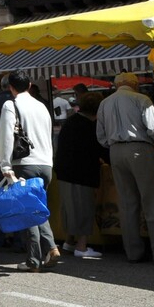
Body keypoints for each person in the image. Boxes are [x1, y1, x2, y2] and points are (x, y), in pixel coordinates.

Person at [95, 71, 154, 265]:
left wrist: (113, 144)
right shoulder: (141, 98)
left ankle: (133, 252)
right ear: (134, 84)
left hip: (115, 151)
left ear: (116, 85)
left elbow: (101, 135)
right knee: (152, 200)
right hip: (139, 148)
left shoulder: (104, 103)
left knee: (127, 202)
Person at [0, 73, 61, 271]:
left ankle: (35, 259)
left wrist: (5, 165)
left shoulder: (11, 105)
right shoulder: (41, 105)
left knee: (28, 211)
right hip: (45, 163)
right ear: (30, 85)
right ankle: (50, 248)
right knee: (37, 207)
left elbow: (6, 136)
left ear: (10, 87)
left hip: (25, 163)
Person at [54, 91, 109, 260]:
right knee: (84, 208)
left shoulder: (71, 121)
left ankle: (69, 242)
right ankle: (82, 246)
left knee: (69, 208)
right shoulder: (91, 126)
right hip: (82, 172)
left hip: (64, 171)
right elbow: (100, 149)